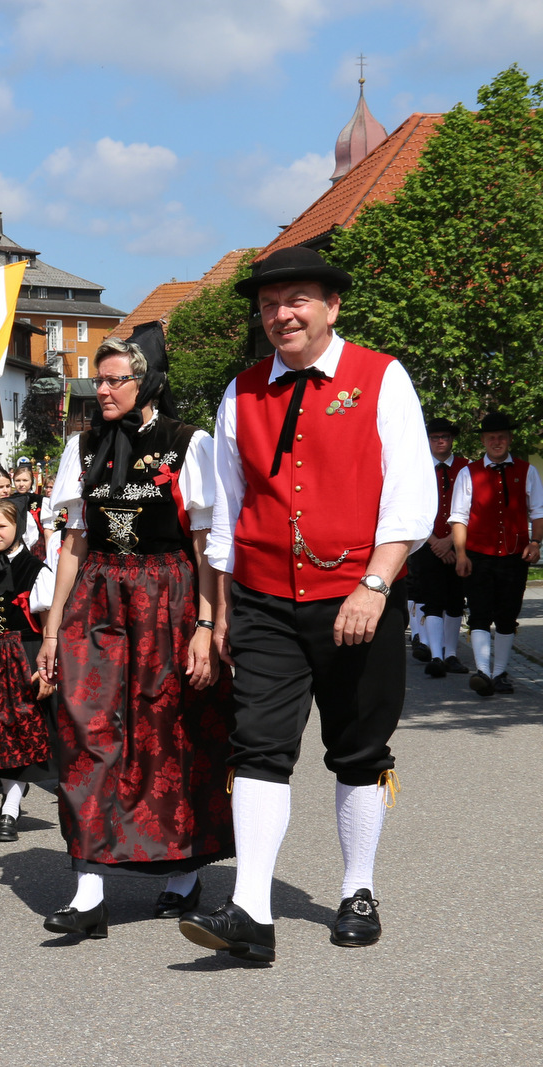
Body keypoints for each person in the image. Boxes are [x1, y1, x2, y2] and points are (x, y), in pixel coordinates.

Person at [183, 247, 435, 963]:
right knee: (258, 744)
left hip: (358, 596)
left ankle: (358, 889)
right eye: (269, 305)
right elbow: (227, 512)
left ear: (332, 306)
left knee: (358, 747)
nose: (281, 315)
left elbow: (411, 495)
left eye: (296, 300)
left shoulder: (381, 377)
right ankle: (250, 910)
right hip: (263, 598)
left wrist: (376, 585)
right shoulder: (240, 393)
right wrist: (220, 610)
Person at [38, 322, 233, 942]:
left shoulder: (187, 443)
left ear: (145, 382)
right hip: (97, 597)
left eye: (113, 380)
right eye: (97, 380)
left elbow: (205, 544)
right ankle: (88, 891)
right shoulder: (83, 446)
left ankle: (183, 872)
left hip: (167, 597)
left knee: (168, 731)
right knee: (85, 728)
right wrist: (52, 627)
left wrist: (207, 623)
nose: (101, 390)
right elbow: (73, 542)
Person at [0, 497, 54, 842]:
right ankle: (10, 800)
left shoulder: (36, 570)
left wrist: (49, 668)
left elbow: (50, 626)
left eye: (1, 526)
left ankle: (10, 808)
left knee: (20, 732)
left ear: (18, 527)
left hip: (25, 654)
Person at [450, 411, 543, 696]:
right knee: (479, 612)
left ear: (510, 439)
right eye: (491, 437)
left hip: (515, 555)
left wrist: (535, 542)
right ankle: (483, 672)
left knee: (507, 614)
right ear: (483, 440)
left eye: (502, 436)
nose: (497, 441)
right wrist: (461, 554)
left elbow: (538, 511)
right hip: (478, 554)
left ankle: (500, 672)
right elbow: (459, 516)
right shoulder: (468, 473)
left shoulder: (527, 471)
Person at [409, 417, 470, 678]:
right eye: (435, 437)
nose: (440, 441)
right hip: (427, 544)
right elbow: (413, 508)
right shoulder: (419, 468)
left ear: (452, 439)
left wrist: (451, 542)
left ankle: (451, 654)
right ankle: (435, 655)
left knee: (455, 599)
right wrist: (435, 542)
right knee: (431, 598)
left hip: (458, 545)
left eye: (444, 436)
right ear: (428, 440)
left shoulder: (467, 468)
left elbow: (472, 509)